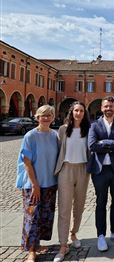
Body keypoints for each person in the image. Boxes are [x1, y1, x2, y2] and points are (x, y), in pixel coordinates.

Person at [16, 105, 58, 262]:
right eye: (43, 115)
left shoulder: (54, 136)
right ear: (37, 117)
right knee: (32, 217)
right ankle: (31, 250)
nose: (46, 118)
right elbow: (26, 162)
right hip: (33, 184)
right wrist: (35, 185)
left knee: (45, 216)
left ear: (53, 117)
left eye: (49, 115)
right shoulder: (30, 136)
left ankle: (37, 244)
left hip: (50, 183)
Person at [88, 96, 114, 252]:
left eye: (111, 106)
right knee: (101, 202)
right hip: (99, 170)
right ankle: (100, 235)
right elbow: (92, 145)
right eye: (106, 106)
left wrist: (104, 142)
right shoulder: (94, 125)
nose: (108, 109)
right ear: (102, 108)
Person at [53, 102, 91, 262]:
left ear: (84, 113)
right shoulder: (62, 130)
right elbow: (58, 150)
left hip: (83, 169)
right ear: (72, 112)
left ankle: (73, 233)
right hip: (66, 169)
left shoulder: (89, 130)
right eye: (76, 110)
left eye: (81, 110)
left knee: (79, 206)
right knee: (64, 207)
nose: (78, 113)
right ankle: (63, 245)